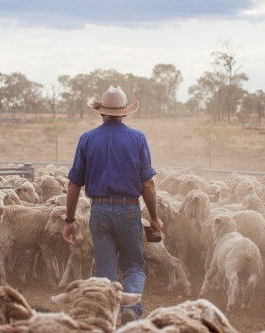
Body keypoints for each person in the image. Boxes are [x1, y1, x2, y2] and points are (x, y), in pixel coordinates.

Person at [63, 85, 163, 325]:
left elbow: (74, 185)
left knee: (105, 271)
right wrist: (154, 217)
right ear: (125, 113)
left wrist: (69, 220)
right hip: (129, 210)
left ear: (101, 113)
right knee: (133, 267)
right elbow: (147, 184)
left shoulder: (87, 139)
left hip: (98, 211)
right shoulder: (137, 138)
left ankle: (107, 318)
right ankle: (132, 307)